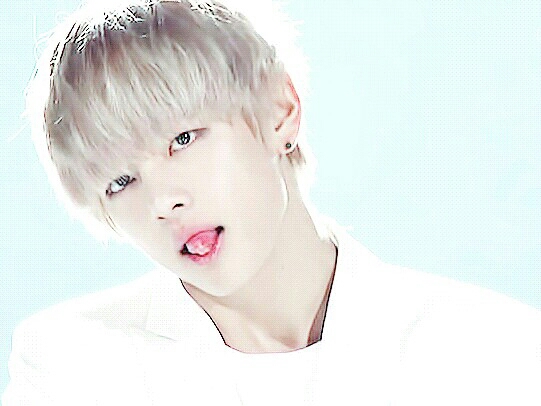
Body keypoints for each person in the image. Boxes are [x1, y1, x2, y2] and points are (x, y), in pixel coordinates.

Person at [3, 0, 541, 404]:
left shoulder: (492, 348)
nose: (162, 202)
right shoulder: (75, 364)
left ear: (281, 112)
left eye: (183, 139)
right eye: (121, 181)